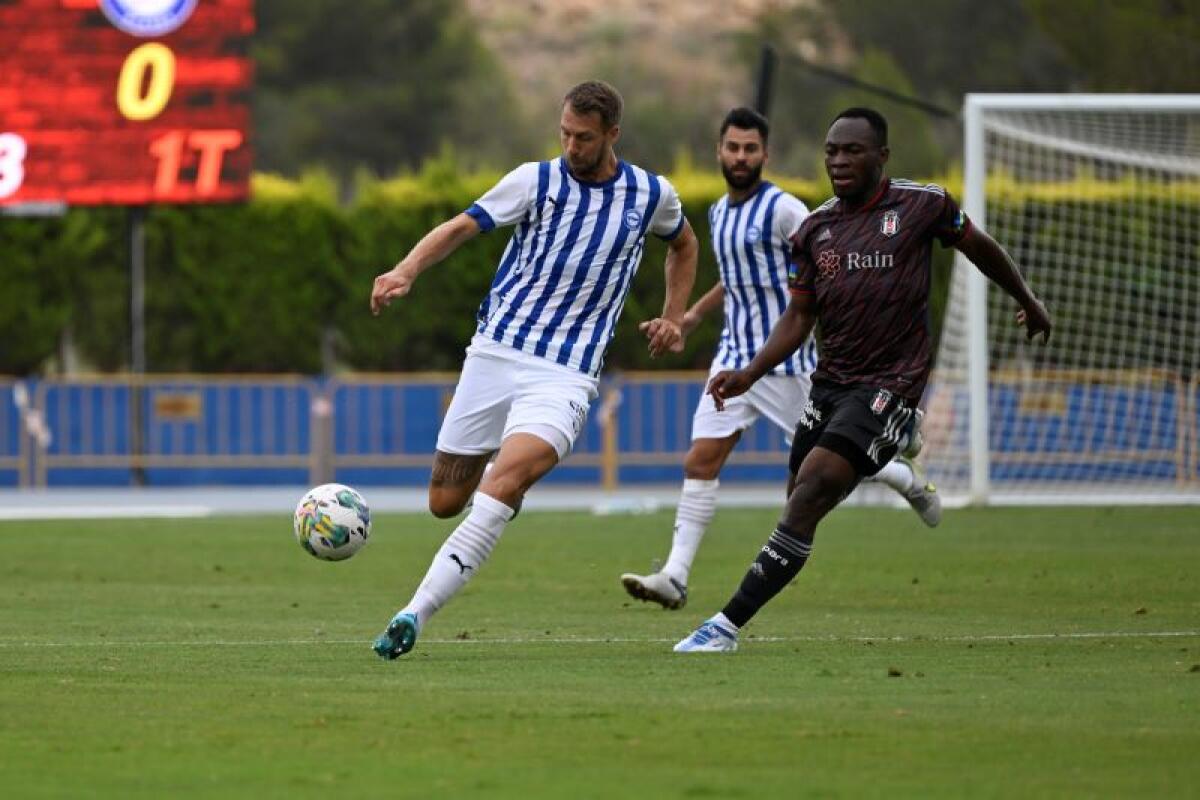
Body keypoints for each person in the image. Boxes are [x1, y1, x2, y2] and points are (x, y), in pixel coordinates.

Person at [673, 107, 1052, 652]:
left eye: (853, 150)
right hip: (830, 382)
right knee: (800, 498)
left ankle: (724, 626)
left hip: (892, 379)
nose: (840, 160)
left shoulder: (923, 205)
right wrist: (750, 373)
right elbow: (799, 316)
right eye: (832, 151)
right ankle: (892, 447)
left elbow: (980, 247)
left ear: (882, 156)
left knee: (813, 488)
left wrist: (1027, 299)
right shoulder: (816, 229)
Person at [368, 80, 699, 659]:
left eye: (585, 138)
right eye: (566, 133)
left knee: (501, 485)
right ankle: (503, 489)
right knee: (445, 502)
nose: (572, 146)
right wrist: (405, 270)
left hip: (565, 375)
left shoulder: (652, 195)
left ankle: (413, 613)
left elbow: (685, 244)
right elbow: (460, 228)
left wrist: (673, 316)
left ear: (613, 135)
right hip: (494, 355)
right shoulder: (534, 180)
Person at [619, 107, 940, 612]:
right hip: (732, 358)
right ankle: (675, 576)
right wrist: (692, 317)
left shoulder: (786, 210)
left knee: (838, 463)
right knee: (700, 459)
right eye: (732, 148)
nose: (740, 157)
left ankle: (901, 470)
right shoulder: (720, 213)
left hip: (784, 366)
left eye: (751, 149)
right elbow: (736, 275)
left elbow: (826, 256)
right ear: (720, 152)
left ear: (765, 155)